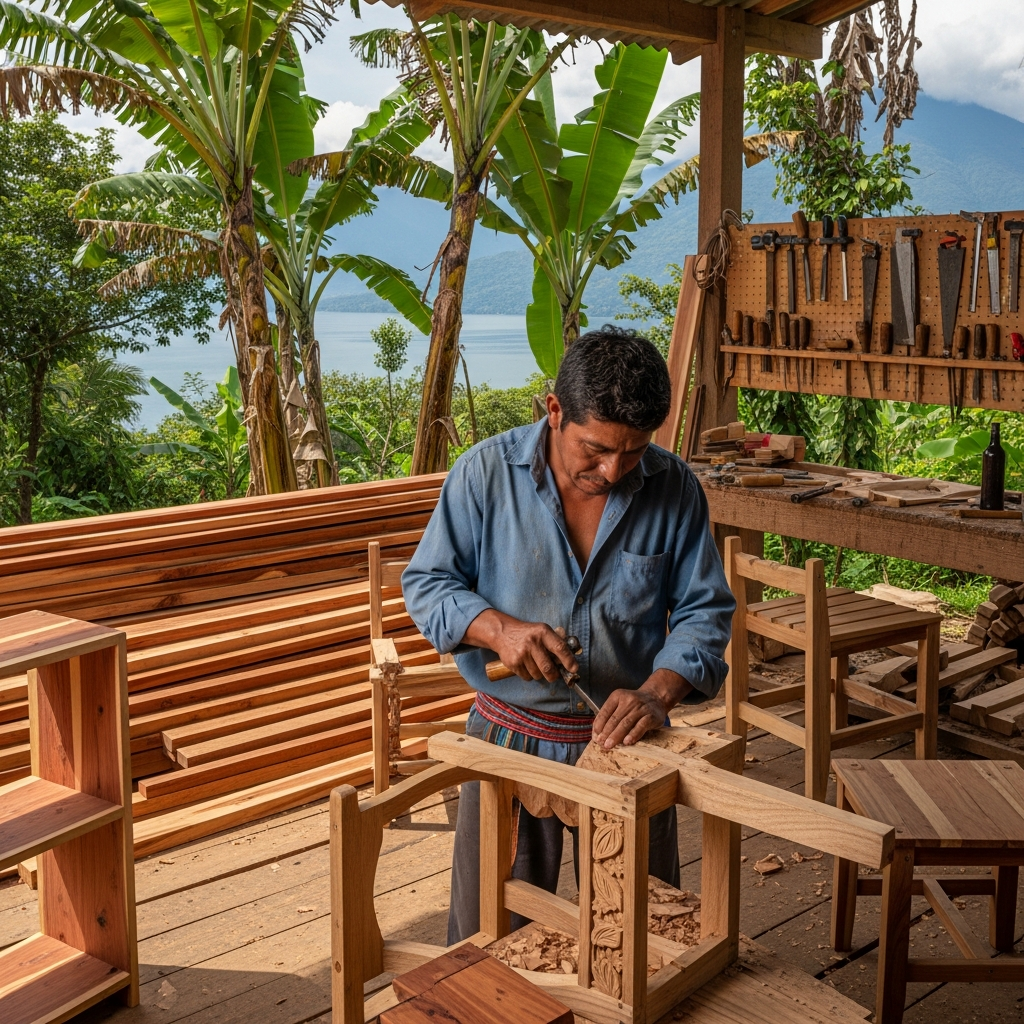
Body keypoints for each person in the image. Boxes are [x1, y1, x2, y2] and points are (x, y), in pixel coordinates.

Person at [402, 326, 735, 944]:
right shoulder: (484, 475)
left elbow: (705, 614)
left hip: (630, 745)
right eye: (597, 449)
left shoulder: (673, 486)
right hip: (507, 738)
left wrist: (658, 694)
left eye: (633, 452)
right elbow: (427, 586)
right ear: (554, 410)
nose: (613, 470)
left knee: (641, 932)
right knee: (488, 939)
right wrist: (498, 630)